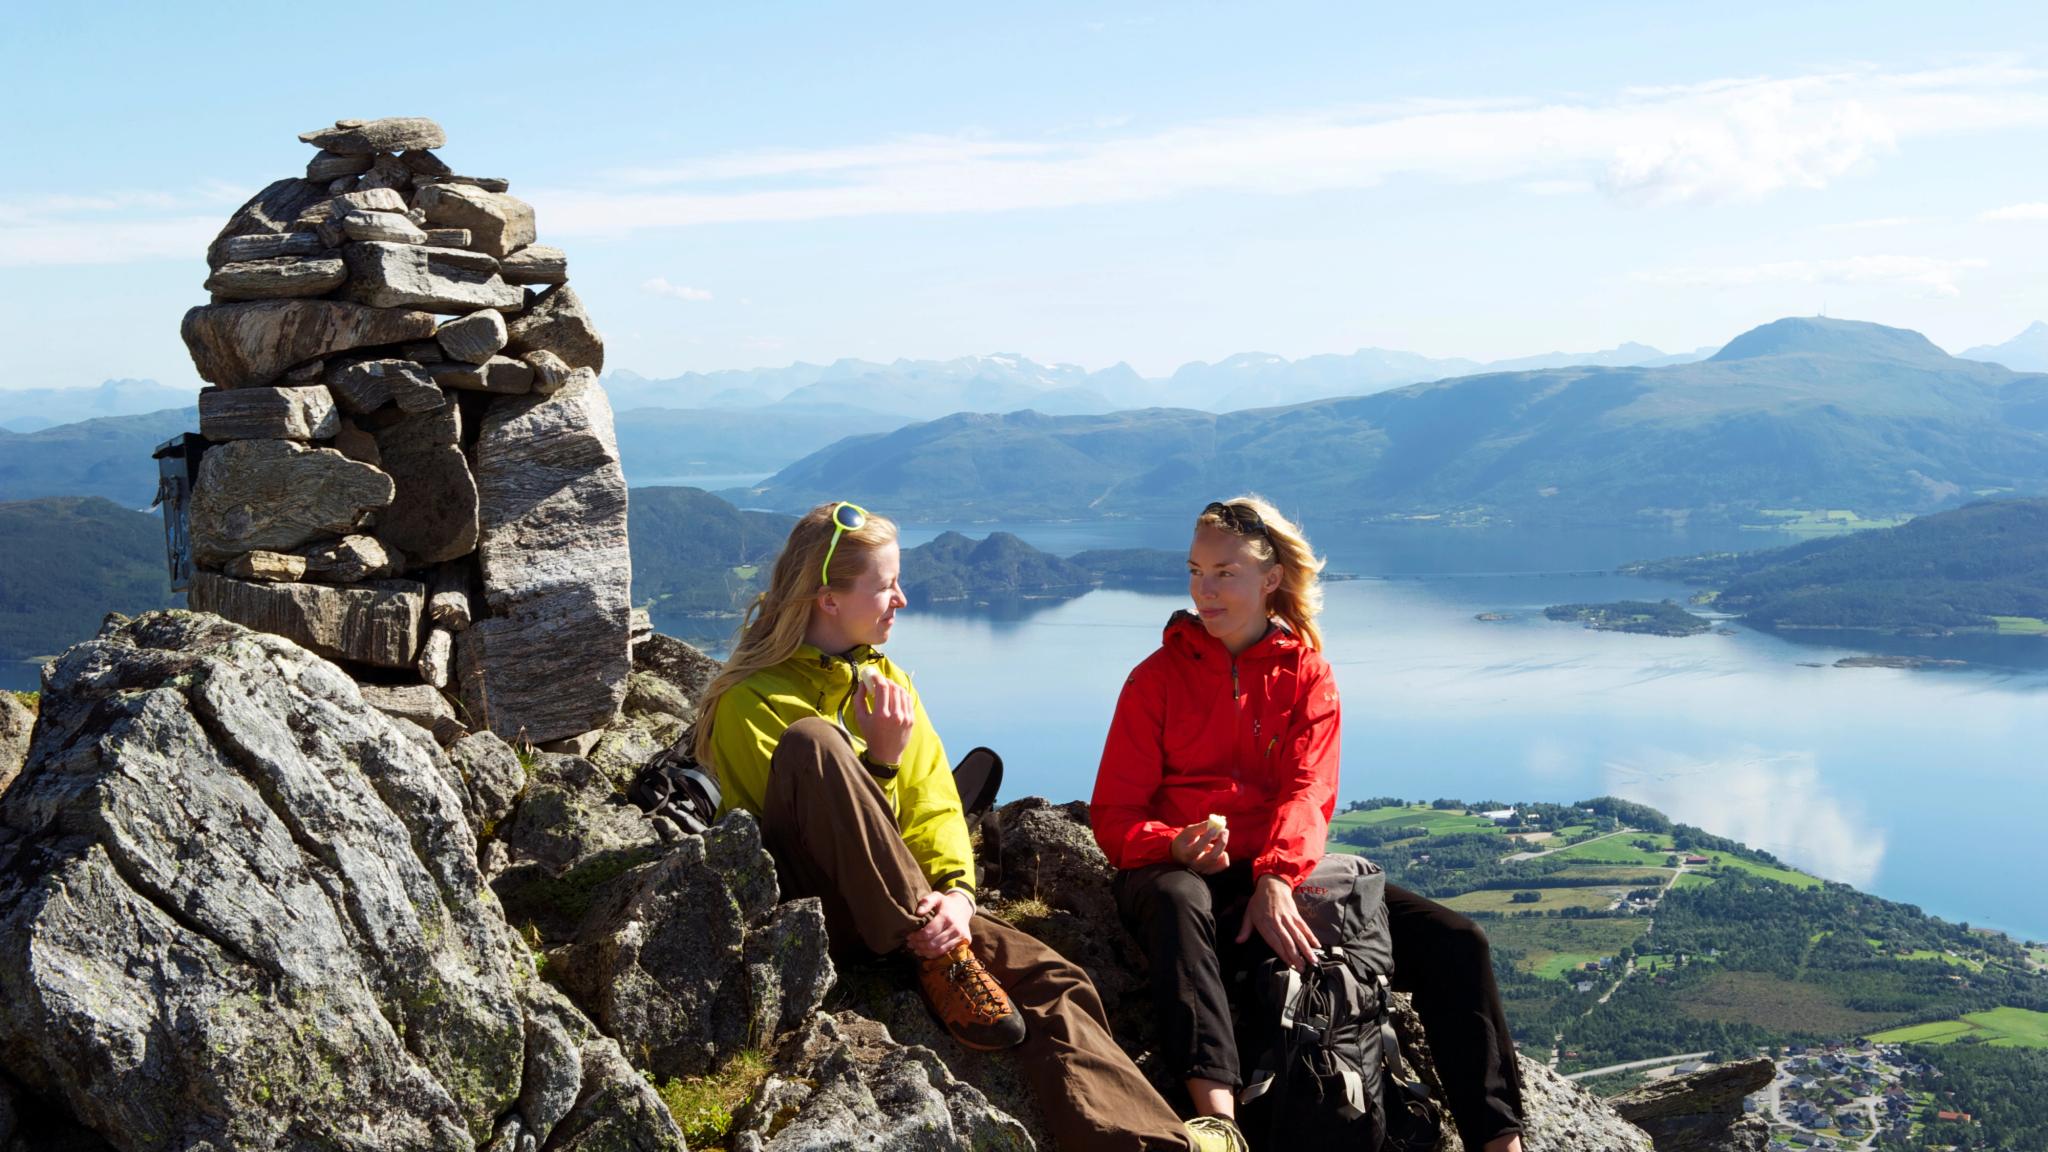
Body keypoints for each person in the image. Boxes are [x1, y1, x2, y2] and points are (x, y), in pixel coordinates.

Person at [693, 500, 1249, 1152]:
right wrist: (880, 759)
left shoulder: (887, 678)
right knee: (815, 744)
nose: (902, 597)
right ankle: (940, 952)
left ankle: (1159, 1146)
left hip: (920, 915)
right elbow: (830, 832)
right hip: (828, 911)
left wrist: (956, 895)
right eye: (885, 584)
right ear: (829, 599)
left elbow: (936, 807)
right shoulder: (748, 700)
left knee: (1053, 981)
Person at [1090, 497, 1526, 1152]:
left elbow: (1309, 791)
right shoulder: (1154, 680)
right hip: (1177, 874)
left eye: (1224, 573)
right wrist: (1172, 844)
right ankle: (1219, 1126)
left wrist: (1276, 878)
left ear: (1270, 580)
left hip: (1276, 870)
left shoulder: (1307, 677)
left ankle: (1499, 1142)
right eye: (1195, 571)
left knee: (1457, 944)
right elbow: (1114, 816)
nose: (1204, 591)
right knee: (1180, 900)